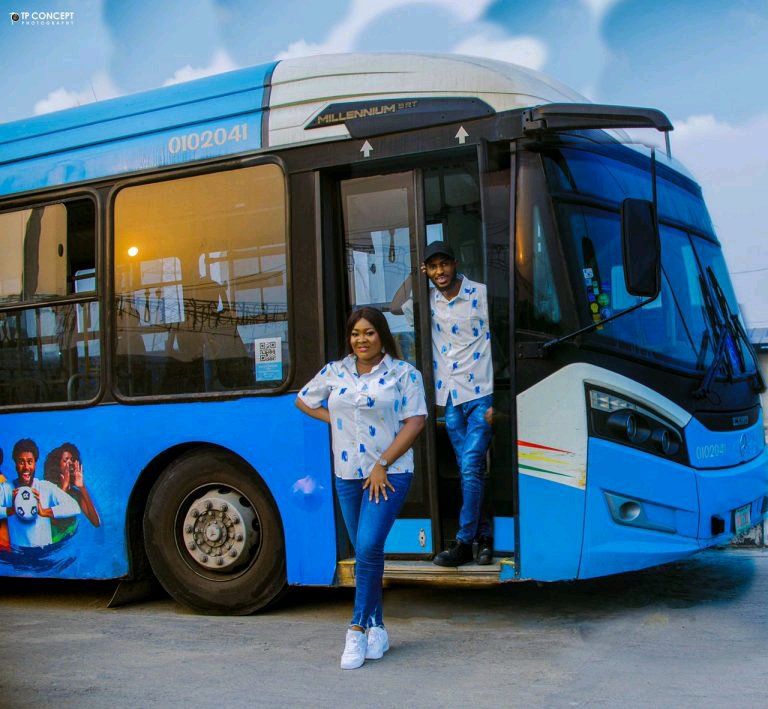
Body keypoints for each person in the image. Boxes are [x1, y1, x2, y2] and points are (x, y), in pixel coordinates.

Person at [296, 307, 427, 670]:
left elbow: (415, 421)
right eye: (355, 333)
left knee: (368, 546)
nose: (362, 340)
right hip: (347, 474)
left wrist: (382, 463)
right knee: (366, 553)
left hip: (390, 472)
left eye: (369, 332)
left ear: (381, 335)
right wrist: (335, 419)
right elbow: (304, 400)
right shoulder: (336, 371)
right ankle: (378, 629)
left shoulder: (403, 374)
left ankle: (356, 628)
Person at [423, 241, 495, 567]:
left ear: (455, 263)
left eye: (444, 264)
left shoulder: (480, 294)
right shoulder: (428, 301)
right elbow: (397, 305)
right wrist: (415, 275)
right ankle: (484, 538)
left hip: (481, 394)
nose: (440, 272)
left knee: (469, 467)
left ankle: (463, 541)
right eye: (432, 267)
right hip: (450, 396)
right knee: (472, 471)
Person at [0, 438, 81, 548]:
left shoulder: (45, 487)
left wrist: (44, 512)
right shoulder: (6, 489)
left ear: (35, 464)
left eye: (30, 462)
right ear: (15, 463)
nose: (26, 467)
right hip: (18, 556)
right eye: (21, 462)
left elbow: (74, 507)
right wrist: (10, 510)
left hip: (44, 554)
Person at [43, 443, 101, 541]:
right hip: (51, 540)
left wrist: (82, 488)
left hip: (68, 538)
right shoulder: (48, 488)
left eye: (72, 460)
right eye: (66, 460)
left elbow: (96, 522)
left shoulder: (75, 494)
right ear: (57, 465)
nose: (70, 463)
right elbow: (50, 521)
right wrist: (64, 487)